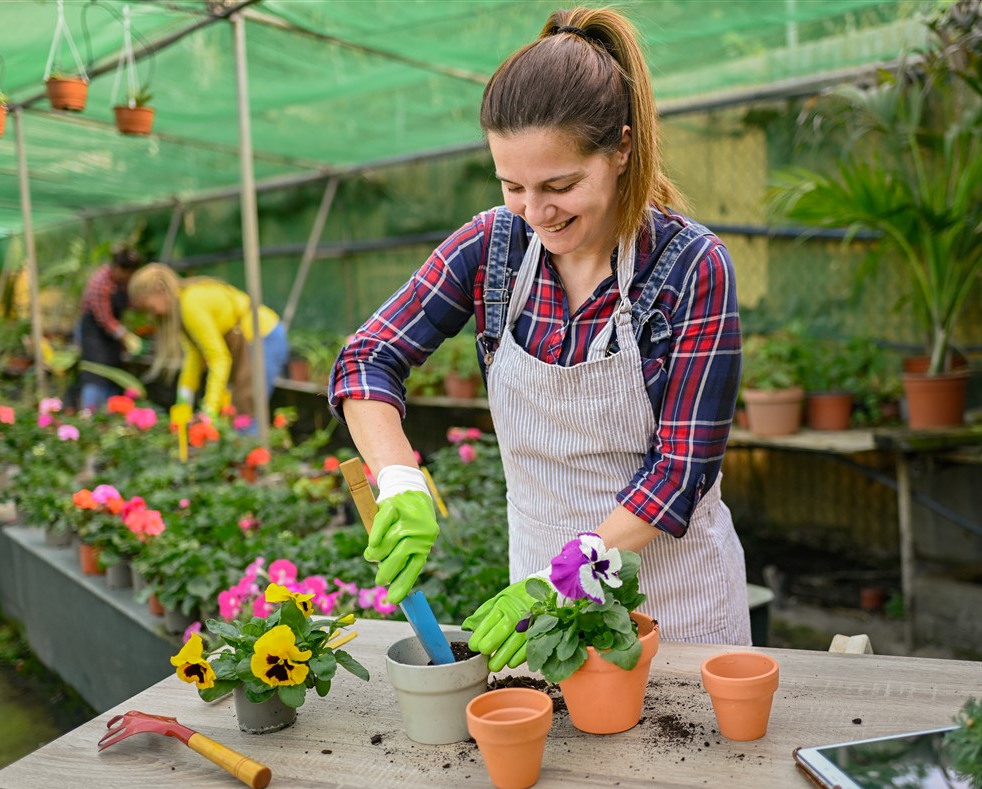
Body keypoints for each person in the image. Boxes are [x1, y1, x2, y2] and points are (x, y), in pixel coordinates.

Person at [328, 7, 750, 671]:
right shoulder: (492, 248)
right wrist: (399, 478)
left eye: (560, 185)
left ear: (621, 149)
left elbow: (680, 472)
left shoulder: (692, 267)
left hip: (673, 606)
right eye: (512, 185)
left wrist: (565, 582)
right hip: (532, 615)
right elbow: (369, 358)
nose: (536, 212)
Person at [126, 263, 289, 424]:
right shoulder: (181, 309)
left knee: (246, 410)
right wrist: (183, 403)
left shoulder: (190, 304)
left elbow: (219, 358)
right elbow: (194, 357)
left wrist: (209, 412)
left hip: (264, 336)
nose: (149, 313)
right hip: (252, 340)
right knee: (239, 411)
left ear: (159, 290)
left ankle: (255, 446)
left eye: (148, 305)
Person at [76, 245, 145, 412]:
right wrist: (127, 337)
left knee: (114, 373)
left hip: (110, 339)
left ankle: (111, 416)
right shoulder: (100, 282)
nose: (129, 277)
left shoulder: (122, 283)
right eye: (128, 273)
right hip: (93, 335)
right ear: (118, 268)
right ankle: (90, 414)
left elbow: (131, 305)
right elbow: (105, 319)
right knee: (95, 374)